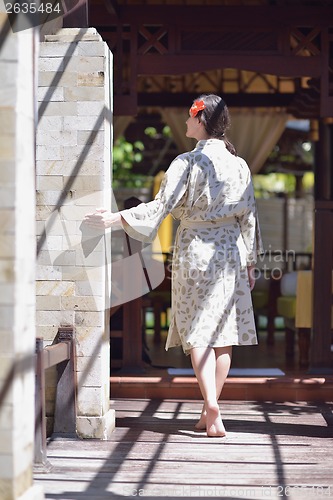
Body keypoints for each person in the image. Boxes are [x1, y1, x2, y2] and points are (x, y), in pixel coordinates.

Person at [84, 94, 264, 437]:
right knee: (224, 336)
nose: (184, 123)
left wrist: (114, 219)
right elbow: (249, 216)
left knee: (198, 330)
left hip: (195, 248)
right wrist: (251, 262)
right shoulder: (239, 165)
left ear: (201, 120)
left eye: (189, 117)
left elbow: (159, 207)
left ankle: (210, 403)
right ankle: (211, 410)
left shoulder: (186, 163)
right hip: (230, 252)